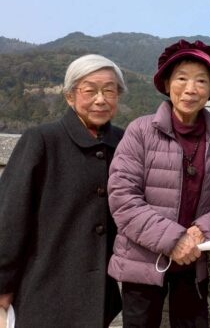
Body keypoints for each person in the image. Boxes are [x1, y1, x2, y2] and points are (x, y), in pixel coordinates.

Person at [108, 39, 210, 328]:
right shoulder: (141, 131)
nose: (190, 88)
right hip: (143, 259)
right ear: (168, 83)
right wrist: (174, 239)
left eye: (201, 81)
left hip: (196, 259)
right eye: (182, 78)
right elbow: (123, 197)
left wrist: (203, 229)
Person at [0, 54, 127, 327]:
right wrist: (3, 284)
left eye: (109, 90)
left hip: (98, 295)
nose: (101, 99)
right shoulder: (42, 140)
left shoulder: (124, 142)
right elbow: (10, 215)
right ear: (70, 96)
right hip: (45, 288)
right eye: (90, 90)